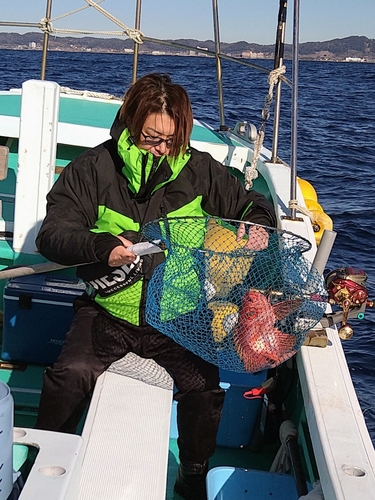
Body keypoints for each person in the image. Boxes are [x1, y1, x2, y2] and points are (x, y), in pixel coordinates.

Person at [35, 73, 277, 500]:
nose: (163, 149)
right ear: (130, 124)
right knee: (68, 374)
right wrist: (99, 245)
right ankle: (44, 459)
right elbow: (53, 234)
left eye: (172, 139)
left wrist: (256, 226)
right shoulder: (92, 169)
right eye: (151, 138)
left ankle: (193, 471)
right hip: (109, 309)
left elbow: (251, 203)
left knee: (204, 389)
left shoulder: (201, 170)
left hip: (179, 316)